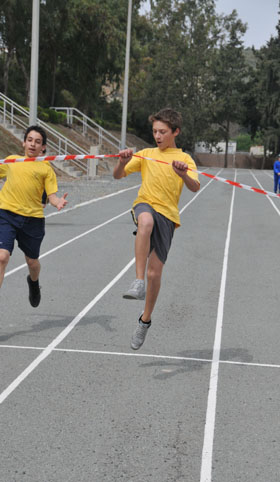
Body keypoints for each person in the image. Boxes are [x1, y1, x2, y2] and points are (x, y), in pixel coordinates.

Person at [113, 108, 200, 350]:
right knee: (145, 222)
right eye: (154, 132)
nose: (158, 136)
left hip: (168, 216)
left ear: (176, 132)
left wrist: (183, 175)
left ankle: (145, 320)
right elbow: (117, 176)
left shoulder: (185, 159)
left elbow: (195, 187)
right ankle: (137, 281)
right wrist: (122, 163)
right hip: (145, 204)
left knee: (156, 274)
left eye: (162, 132)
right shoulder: (146, 154)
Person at [0, 125, 68, 326]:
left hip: (32, 220)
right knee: (2, 256)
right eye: (29, 140)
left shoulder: (45, 168)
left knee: (32, 262)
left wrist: (58, 203)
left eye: (37, 141)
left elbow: (52, 196)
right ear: (24, 142)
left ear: (43, 147)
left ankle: (33, 282)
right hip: (6, 215)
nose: (32, 144)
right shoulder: (12, 160)